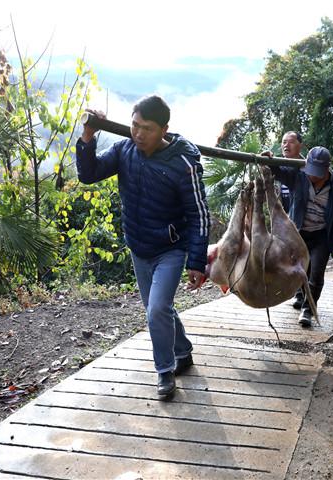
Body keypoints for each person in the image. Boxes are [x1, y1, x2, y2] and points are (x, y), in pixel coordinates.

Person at [76, 95, 210, 398]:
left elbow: (199, 213)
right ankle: (183, 350)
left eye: (147, 128)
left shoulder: (182, 164)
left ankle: (164, 372)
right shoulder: (125, 150)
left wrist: (197, 262)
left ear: (164, 129)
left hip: (170, 249)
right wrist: (87, 137)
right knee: (158, 309)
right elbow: (88, 174)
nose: (138, 133)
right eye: (134, 125)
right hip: (138, 246)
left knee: (156, 310)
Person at [266, 146, 333, 327]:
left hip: (322, 235)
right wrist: (270, 160)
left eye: (317, 173)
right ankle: (300, 295)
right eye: (310, 171)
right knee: (301, 270)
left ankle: (308, 309)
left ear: (327, 169)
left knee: (316, 273)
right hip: (299, 234)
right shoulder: (299, 177)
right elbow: (279, 173)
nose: (312, 176)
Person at [262, 131, 305, 212]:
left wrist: (271, 164)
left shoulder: (307, 168)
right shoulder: (277, 166)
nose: (286, 145)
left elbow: (283, 173)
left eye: (291, 142)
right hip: (282, 218)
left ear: (300, 146)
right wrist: (268, 161)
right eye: (284, 142)